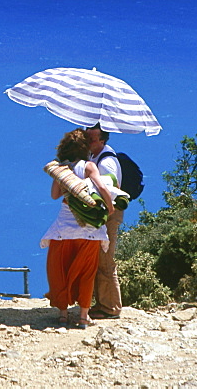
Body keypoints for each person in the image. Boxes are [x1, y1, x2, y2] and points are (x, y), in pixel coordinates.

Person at [41, 129, 115, 329]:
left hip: (63, 229)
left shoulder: (61, 169)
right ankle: (83, 316)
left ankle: (63, 315)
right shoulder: (90, 166)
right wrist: (110, 208)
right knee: (86, 272)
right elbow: (103, 188)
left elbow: (55, 195)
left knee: (60, 271)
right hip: (88, 231)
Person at [84, 124, 123, 319]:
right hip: (106, 211)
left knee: (106, 259)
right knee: (99, 257)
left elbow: (111, 188)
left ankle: (111, 307)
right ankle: (102, 304)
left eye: (92, 139)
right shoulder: (95, 156)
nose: (88, 142)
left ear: (102, 140)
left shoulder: (106, 162)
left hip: (109, 213)